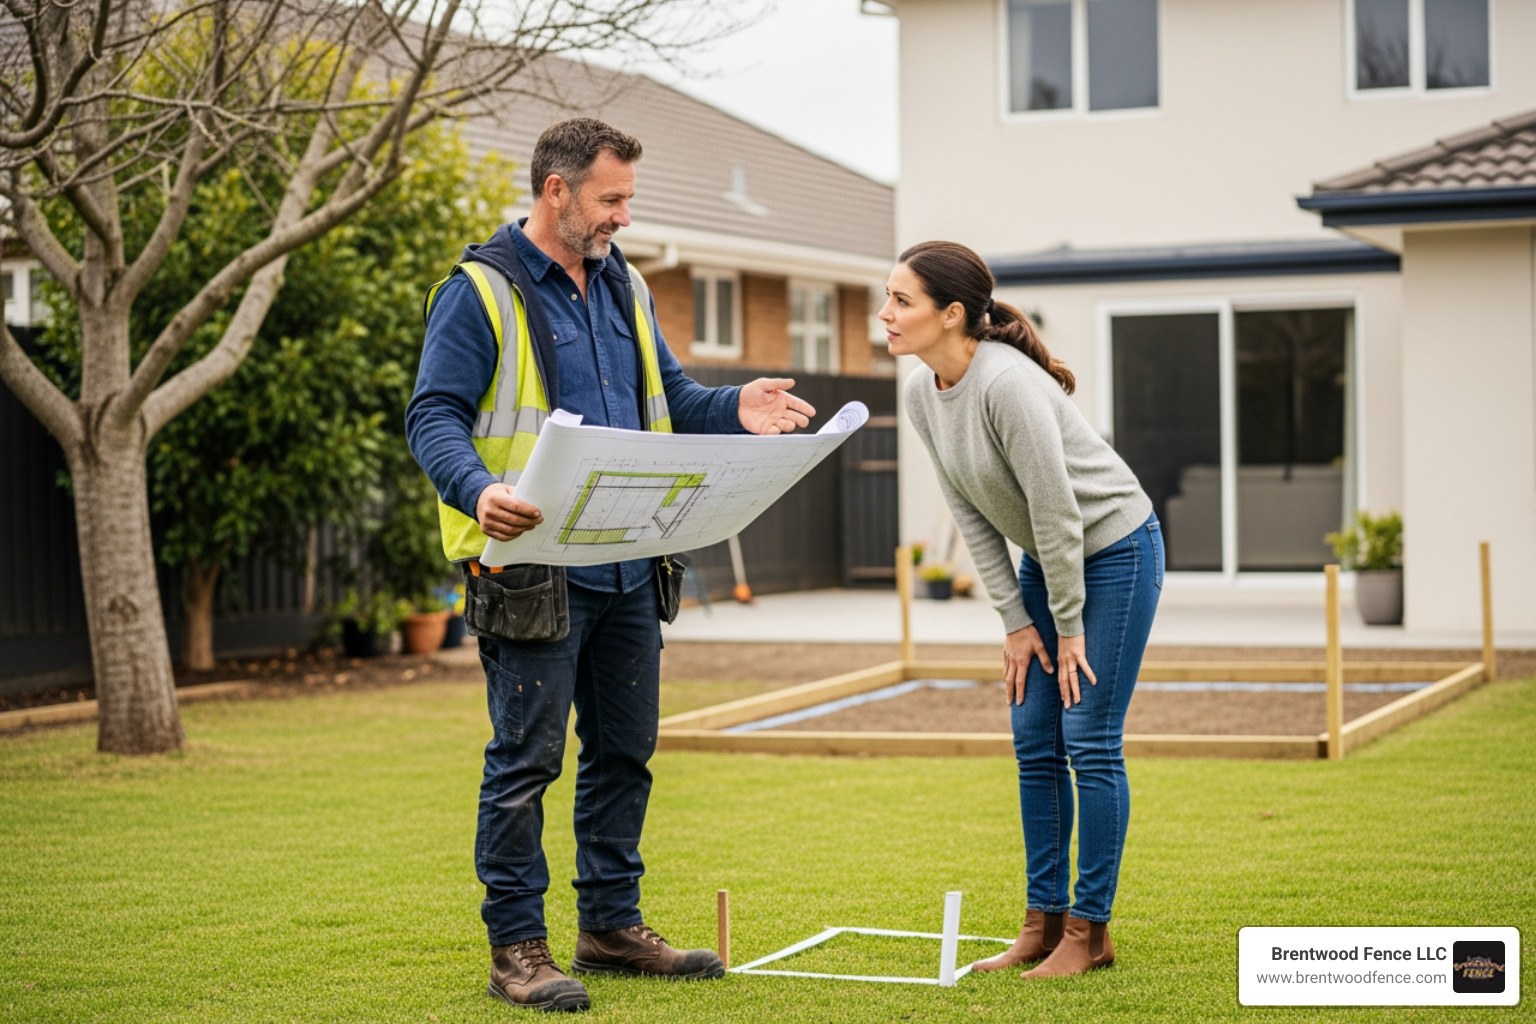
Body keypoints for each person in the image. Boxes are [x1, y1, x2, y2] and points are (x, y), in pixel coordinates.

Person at [406, 117, 814, 1013]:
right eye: (612, 198)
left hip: (629, 566)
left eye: (628, 198)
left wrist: (734, 406)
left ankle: (610, 927)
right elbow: (431, 415)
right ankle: (517, 949)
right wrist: (476, 489)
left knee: (626, 753)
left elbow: (669, 398)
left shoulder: (625, 283)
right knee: (526, 762)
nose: (625, 215)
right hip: (529, 570)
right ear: (556, 190)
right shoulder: (479, 293)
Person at [882, 241, 1161, 979]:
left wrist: (1067, 628)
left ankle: (1090, 933)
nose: (886, 313)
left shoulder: (1006, 385)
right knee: (1033, 737)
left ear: (951, 314)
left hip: (1117, 550)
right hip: (1049, 556)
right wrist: (1014, 620)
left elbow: (1059, 511)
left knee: (1089, 738)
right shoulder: (920, 394)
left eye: (901, 300)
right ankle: (1043, 924)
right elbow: (969, 512)